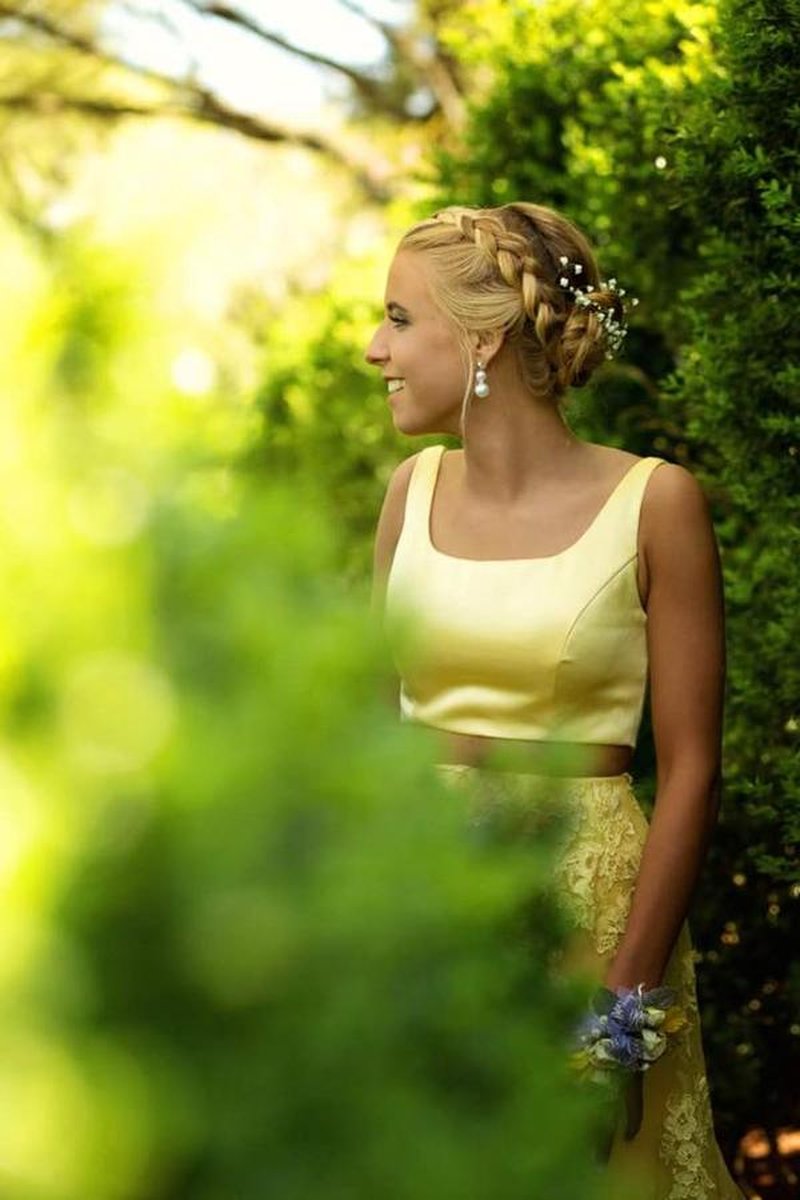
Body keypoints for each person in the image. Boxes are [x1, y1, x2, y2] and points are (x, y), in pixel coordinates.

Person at [366, 202, 744, 1198]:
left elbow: (692, 766)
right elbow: (365, 737)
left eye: (398, 318)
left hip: (591, 922)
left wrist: (621, 1000)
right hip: (419, 910)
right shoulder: (408, 490)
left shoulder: (655, 504)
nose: (374, 349)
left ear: (481, 334)